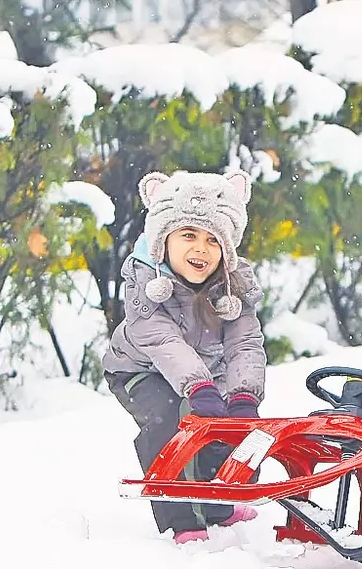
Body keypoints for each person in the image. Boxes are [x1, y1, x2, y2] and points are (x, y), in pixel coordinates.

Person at [103, 168, 267, 545]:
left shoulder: (232, 285)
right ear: (163, 240)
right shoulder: (146, 282)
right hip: (139, 369)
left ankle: (218, 504)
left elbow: (244, 343)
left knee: (223, 424)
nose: (200, 249)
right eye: (188, 235)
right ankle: (182, 516)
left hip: (206, 374)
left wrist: (244, 394)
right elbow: (159, 339)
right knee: (171, 421)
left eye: (213, 240)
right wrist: (198, 386)